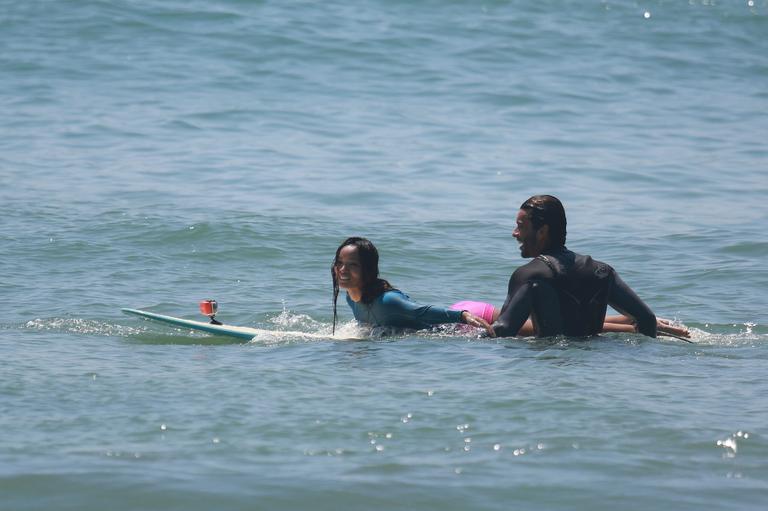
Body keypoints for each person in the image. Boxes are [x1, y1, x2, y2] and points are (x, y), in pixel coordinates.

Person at [492, 195, 677, 338]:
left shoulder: (529, 275)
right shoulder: (602, 271)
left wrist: (465, 341)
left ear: (542, 232)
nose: (514, 233)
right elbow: (646, 319)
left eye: (520, 226)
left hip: (548, 368)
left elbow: (502, 331)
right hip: (595, 366)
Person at [332, 237, 495, 335]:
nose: (342, 270)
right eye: (339, 263)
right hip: (459, 316)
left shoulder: (387, 301)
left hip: (468, 320)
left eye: (352, 265)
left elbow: (420, 312)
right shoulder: (351, 297)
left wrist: (463, 316)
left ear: (367, 269)